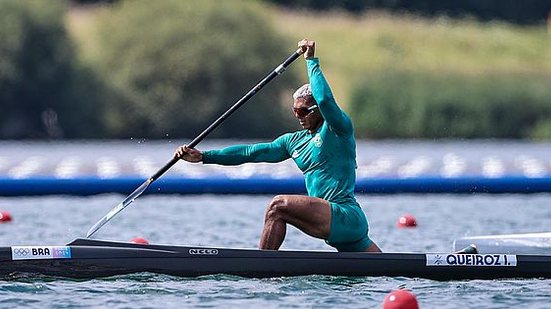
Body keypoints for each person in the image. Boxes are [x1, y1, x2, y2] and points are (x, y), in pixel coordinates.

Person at [175, 39, 382, 252]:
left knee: (277, 206)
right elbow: (251, 153)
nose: (298, 116)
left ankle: (259, 266)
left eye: (303, 111)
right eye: (295, 111)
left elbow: (327, 101)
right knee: (384, 270)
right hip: (336, 228)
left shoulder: (338, 129)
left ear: (317, 109)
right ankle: (269, 264)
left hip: (344, 216)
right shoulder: (293, 141)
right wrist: (204, 156)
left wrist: (311, 61)